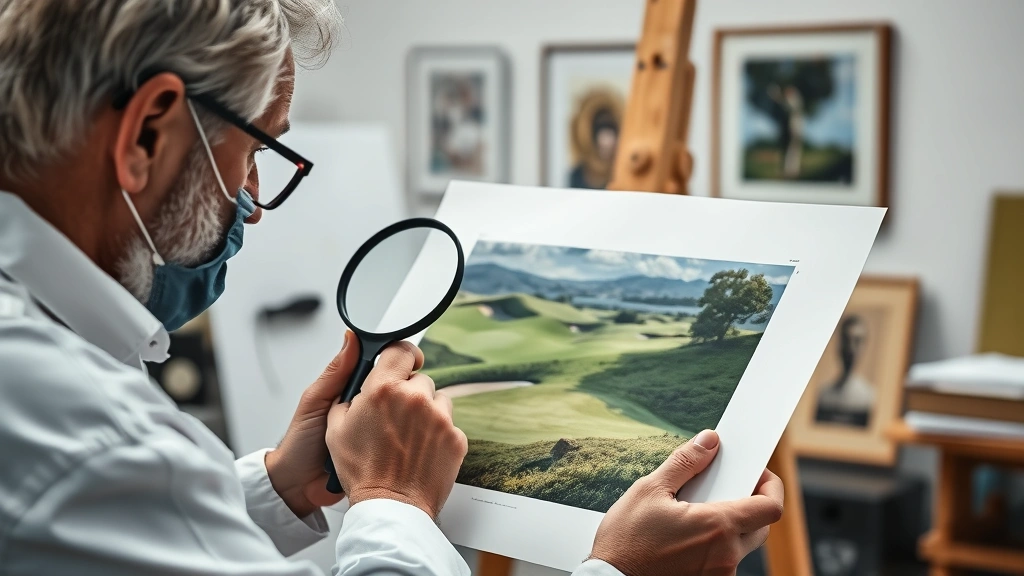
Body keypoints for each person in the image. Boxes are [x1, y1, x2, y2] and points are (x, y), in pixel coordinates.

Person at [0, 1, 784, 574]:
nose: (253, 201)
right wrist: (397, 503)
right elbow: (120, 488)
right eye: (252, 153)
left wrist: (283, 485)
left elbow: (139, 535)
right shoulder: (88, 433)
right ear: (147, 132)